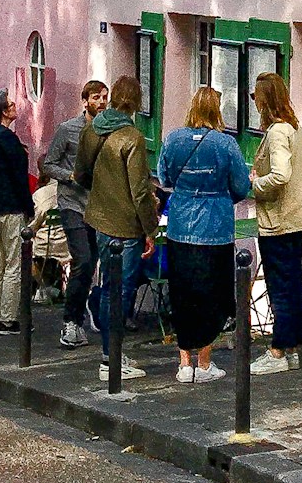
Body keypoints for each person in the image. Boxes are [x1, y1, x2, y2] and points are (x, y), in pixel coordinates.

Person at [157, 86, 252, 383]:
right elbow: (241, 185)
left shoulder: (173, 139)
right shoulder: (227, 145)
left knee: (183, 292)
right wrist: (221, 197)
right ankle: (205, 362)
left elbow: (164, 178)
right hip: (216, 226)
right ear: (217, 110)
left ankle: (184, 363)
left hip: (181, 225)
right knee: (213, 293)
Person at [77, 73, 160, 383]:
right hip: (126, 224)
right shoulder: (132, 137)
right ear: (136, 102)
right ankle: (111, 356)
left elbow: (81, 173)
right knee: (121, 289)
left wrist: (100, 191)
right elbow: (139, 190)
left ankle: (109, 353)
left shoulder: (91, 129)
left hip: (100, 216)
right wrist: (149, 228)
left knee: (108, 283)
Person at [247, 72, 302, 373]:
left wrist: (255, 184)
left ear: (264, 100)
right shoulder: (294, 127)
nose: (254, 103)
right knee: (293, 282)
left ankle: (278, 350)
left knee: (280, 285)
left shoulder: (277, 132)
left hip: (279, 219)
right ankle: (293, 346)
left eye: (255, 97)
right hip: (296, 217)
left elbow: (281, 175)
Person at [40, 77, 108, 348]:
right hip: (72, 203)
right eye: (96, 98)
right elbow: (48, 164)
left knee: (92, 263)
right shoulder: (68, 129)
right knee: (82, 259)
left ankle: (84, 312)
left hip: (98, 204)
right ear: (85, 101)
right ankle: (70, 321)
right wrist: (69, 176)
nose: (101, 102)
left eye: (104, 97)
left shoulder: (109, 130)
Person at [0, 88, 36, 338]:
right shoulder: (9, 141)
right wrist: (28, 207)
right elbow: (18, 178)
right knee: (12, 264)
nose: (14, 106)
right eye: (10, 104)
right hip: (10, 206)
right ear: (3, 111)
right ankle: (8, 319)